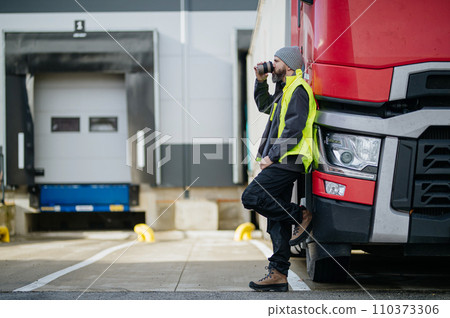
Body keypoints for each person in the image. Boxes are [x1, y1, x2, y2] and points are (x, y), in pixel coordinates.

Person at [241, 46, 316, 292]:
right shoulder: (284, 90)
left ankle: (299, 214)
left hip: (288, 160)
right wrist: (260, 81)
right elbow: (264, 105)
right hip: (282, 160)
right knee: (276, 220)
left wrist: (271, 157)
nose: (271, 65)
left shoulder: (298, 90)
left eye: (276, 61)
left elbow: (294, 130)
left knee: (251, 197)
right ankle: (278, 274)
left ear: (289, 65)